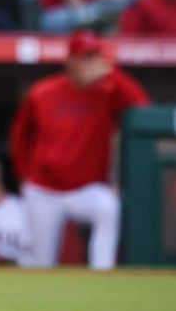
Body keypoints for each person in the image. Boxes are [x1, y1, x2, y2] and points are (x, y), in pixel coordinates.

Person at [10, 31, 149, 270]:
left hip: (87, 189)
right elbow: (20, 135)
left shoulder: (108, 91)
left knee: (108, 207)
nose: (90, 63)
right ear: (70, 61)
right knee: (39, 265)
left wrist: (112, 73)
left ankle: (101, 274)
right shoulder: (43, 92)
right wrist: (23, 175)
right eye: (85, 57)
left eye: (95, 57)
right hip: (45, 188)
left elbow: (142, 107)